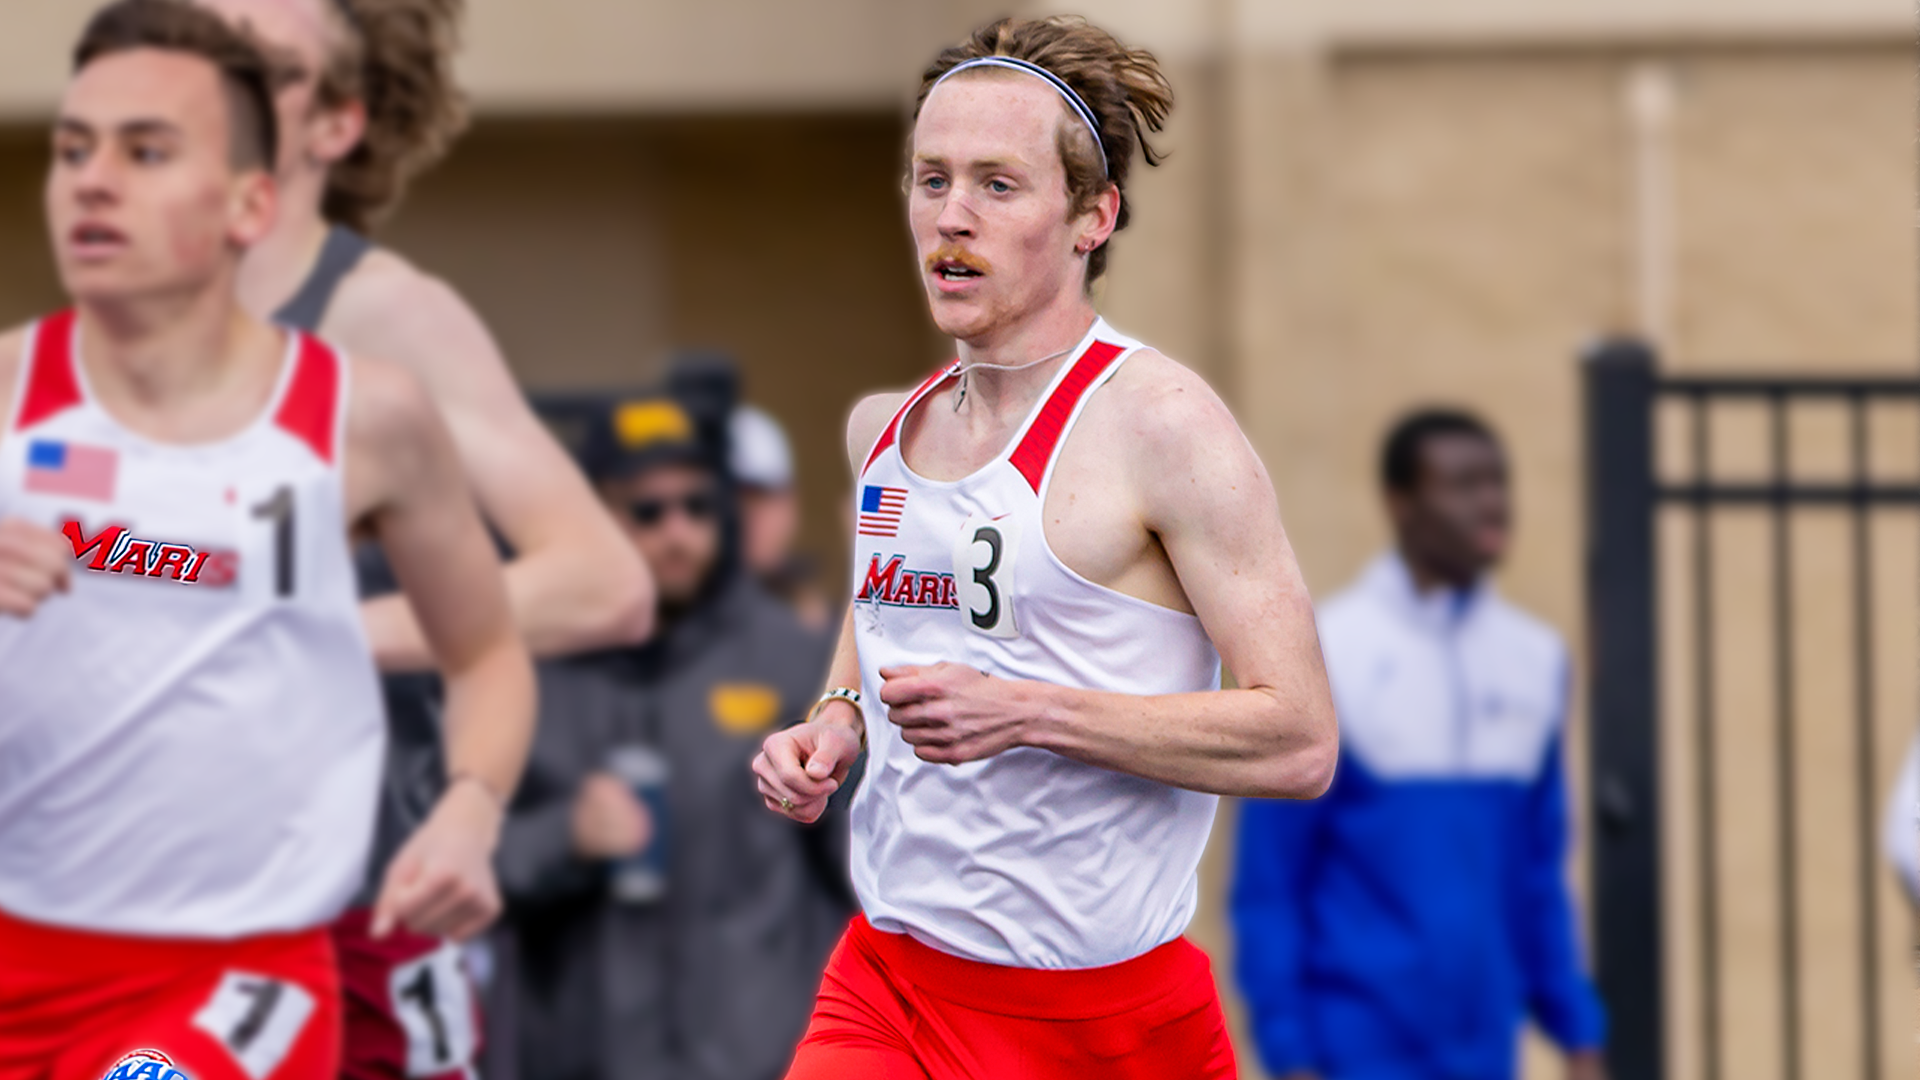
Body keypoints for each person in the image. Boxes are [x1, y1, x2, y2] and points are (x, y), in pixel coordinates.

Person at [751, 16, 1338, 1080]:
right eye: (929, 180)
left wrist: (1028, 713)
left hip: (1113, 1023)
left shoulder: (1162, 425)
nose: (951, 218)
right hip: (893, 992)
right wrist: (836, 723)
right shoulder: (884, 430)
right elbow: (889, 609)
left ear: (1091, 216)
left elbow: (1298, 740)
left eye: (997, 185)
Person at [0, 4, 533, 1079]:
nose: (93, 181)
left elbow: (485, 653)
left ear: (252, 199)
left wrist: (469, 809)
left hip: (234, 972)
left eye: (147, 152)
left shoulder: (367, 415)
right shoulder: (7, 390)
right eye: (73, 150)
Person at [187, 2, 654, 1076]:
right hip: (157, 897)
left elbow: (600, 581)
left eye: (259, 65)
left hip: (346, 908)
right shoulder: (135, 318)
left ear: (335, 123)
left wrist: (332, 627)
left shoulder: (378, 314)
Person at [1232, 410, 1608, 1080]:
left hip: (1488, 1053)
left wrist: (1578, 1032)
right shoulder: (1331, 657)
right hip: (1356, 1053)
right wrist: (1290, 1052)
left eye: (1496, 482)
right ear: (1400, 504)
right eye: (1462, 484)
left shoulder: (1534, 660)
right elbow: (1272, 884)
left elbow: (1536, 874)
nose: (1490, 502)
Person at [494, 379, 847, 1080]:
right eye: (648, 511)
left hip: (760, 1059)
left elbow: (866, 863)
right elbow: (453, 864)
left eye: (697, 506)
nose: (677, 532)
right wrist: (563, 836)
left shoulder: (795, 658)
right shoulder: (523, 666)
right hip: (583, 1056)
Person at [731, 402, 830, 630]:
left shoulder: (821, 623)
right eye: (731, 499)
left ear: (790, 506)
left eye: (759, 498)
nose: (745, 516)